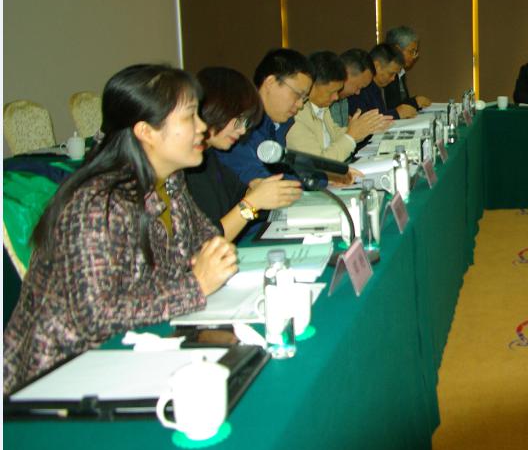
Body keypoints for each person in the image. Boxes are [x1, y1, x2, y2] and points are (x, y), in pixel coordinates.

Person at [4, 65, 238, 392]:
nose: (203, 127)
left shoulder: (169, 180)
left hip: (135, 349)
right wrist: (195, 285)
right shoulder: (96, 205)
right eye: (190, 117)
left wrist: (210, 261)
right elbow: (94, 316)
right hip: (59, 378)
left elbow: (206, 241)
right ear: (146, 131)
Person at [185, 67, 303, 241]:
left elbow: (241, 209)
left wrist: (255, 196)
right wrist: (252, 202)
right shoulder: (187, 169)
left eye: (246, 123)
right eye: (239, 120)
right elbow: (208, 241)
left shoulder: (210, 158)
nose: (242, 130)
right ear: (215, 107)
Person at [218, 48, 313, 184]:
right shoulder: (238, 122)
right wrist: (308, 182)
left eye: (304, 99)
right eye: (298, 95)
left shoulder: (277, 125)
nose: (300, 105)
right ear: (270, 83)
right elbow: (260, 179)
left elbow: (289, 171)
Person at [287, 51, 393, 161]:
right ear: (312, 85)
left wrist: (363, 128)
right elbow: (318, 162)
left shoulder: (321, 106)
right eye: (331, 92)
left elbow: (334, 135)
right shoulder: (295, 115)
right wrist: (351, 136)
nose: (336, 97)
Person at [383, 26, 432, 119]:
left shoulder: (401, 72)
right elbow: (392, 107)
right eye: (411, 51)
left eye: (415, 52)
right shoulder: (386, 74)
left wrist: (415, 101)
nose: (414, 56)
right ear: (397, 49)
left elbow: (402, 104)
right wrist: (415, 102)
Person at [348, 44, 405, 118]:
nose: (393, 78)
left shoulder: (376, 88)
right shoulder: (360, 89)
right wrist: (396, 114)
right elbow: (364, 119)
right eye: (391, 74)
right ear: (376, 66)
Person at [330, 48, 375, 129]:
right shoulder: (323, 101)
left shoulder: (343, 99)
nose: (358, 92)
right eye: (358, 87)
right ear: (345, 74)